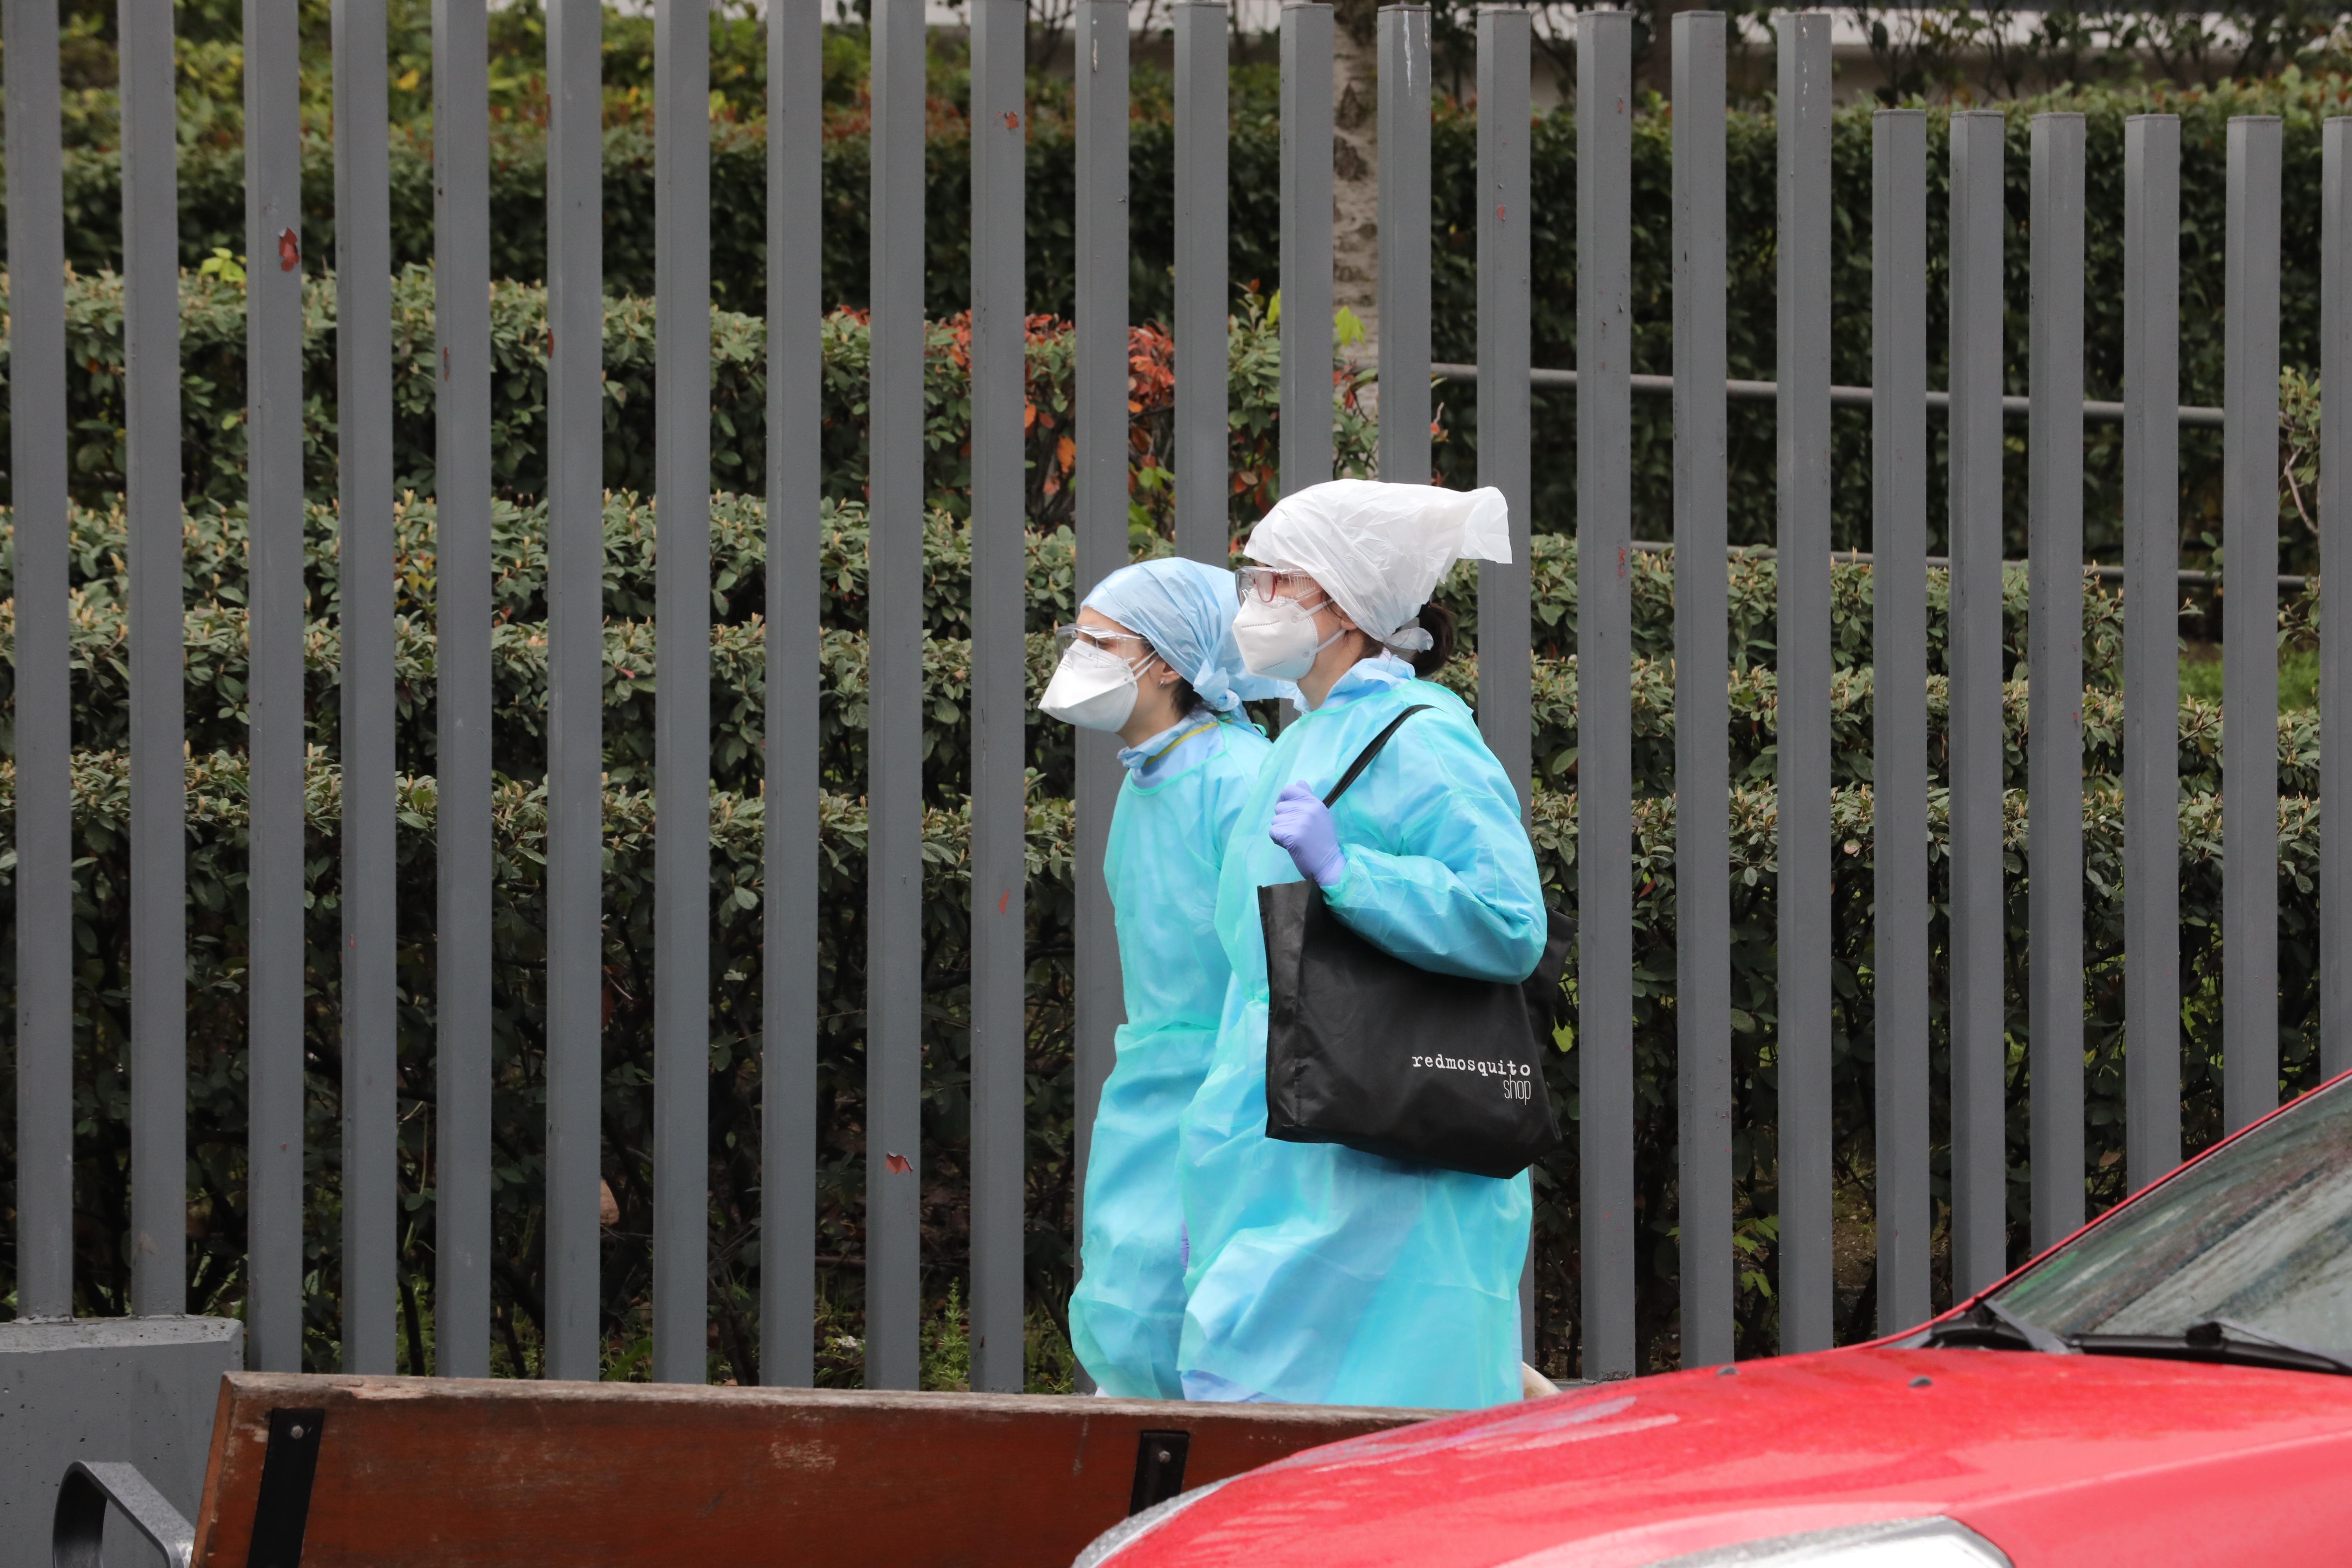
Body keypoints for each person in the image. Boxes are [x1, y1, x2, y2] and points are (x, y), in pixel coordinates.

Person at [1178, 479, 1546, 1409]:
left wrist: (1354, 875)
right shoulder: (1309, 738)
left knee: (1378, 1446)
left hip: (1385, 1175)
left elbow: (1510, 923)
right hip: (1284, 1146)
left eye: (1276, 582)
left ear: (1345, 606)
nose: (1254, 602)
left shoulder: (1421, 739)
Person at [1043, 556, 1284, 1398]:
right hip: (1152, 1078)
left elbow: (1272, 967)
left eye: (1101, 641)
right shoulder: (1147, 782)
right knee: (1128, 1297)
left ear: (1169, 664)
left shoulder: (1241, 778)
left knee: (1209, 1310)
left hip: (1228, 1082)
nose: (1081, 655)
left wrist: (1233, 1090)